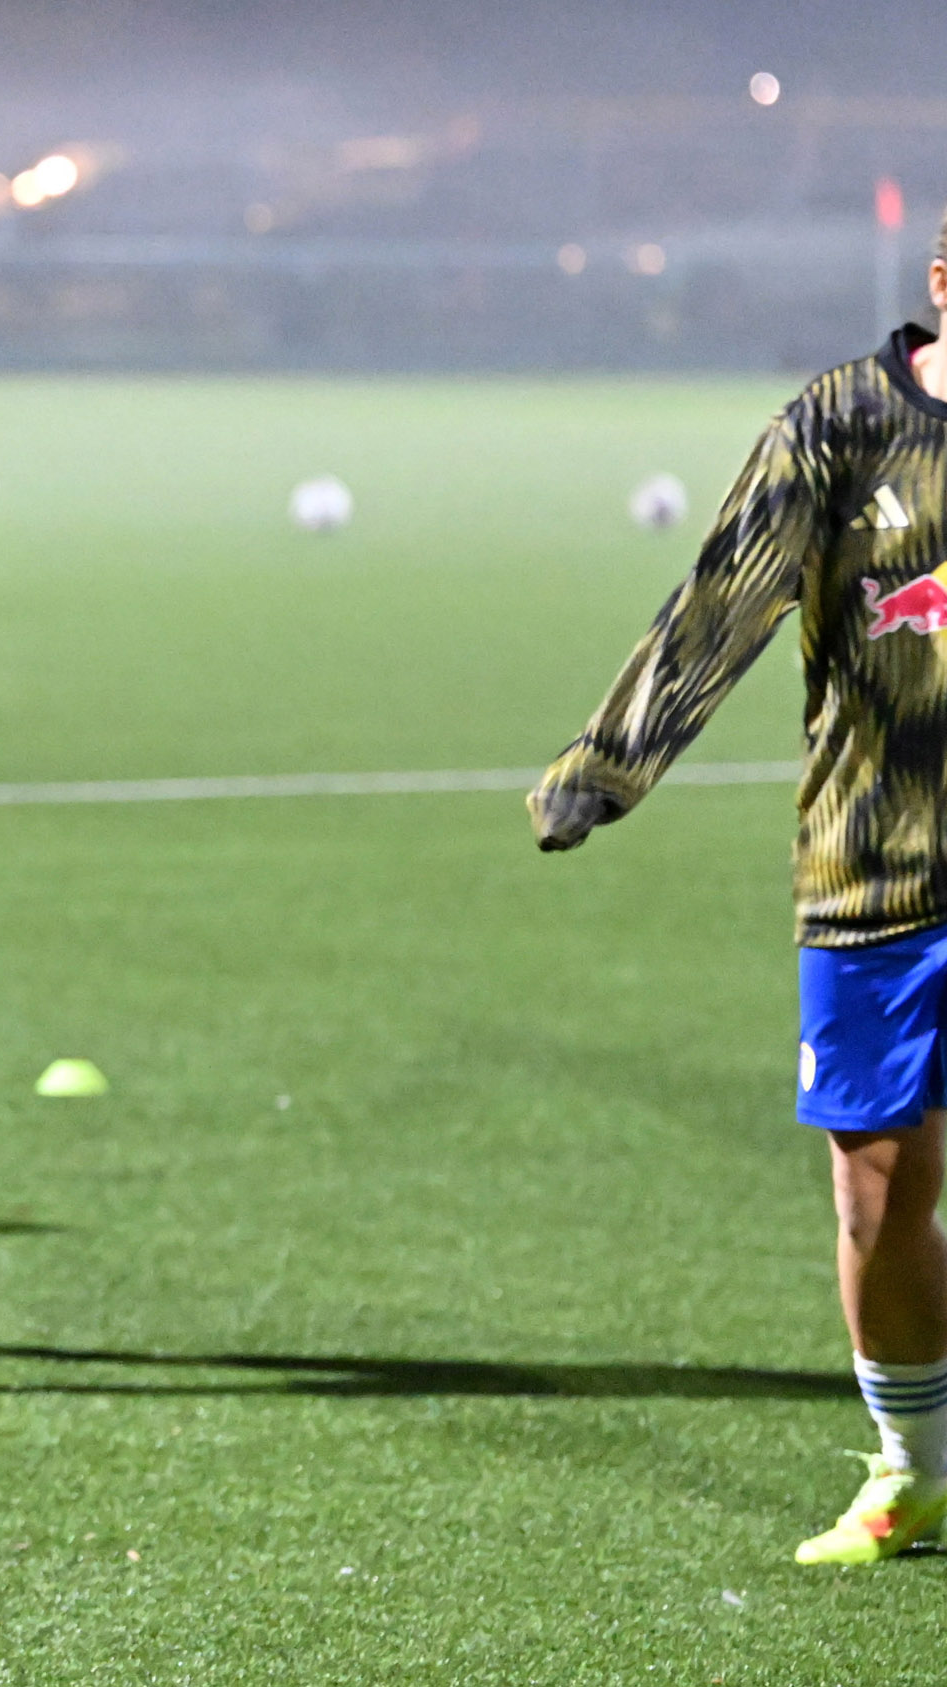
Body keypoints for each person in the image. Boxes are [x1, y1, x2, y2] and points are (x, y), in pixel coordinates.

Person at [532, 215, 947, 1565]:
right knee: (878, 1195)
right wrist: (611, 759)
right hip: (877, 862)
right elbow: (726, 598)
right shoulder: (837, 427)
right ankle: (917, 1461)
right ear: (941, 285)